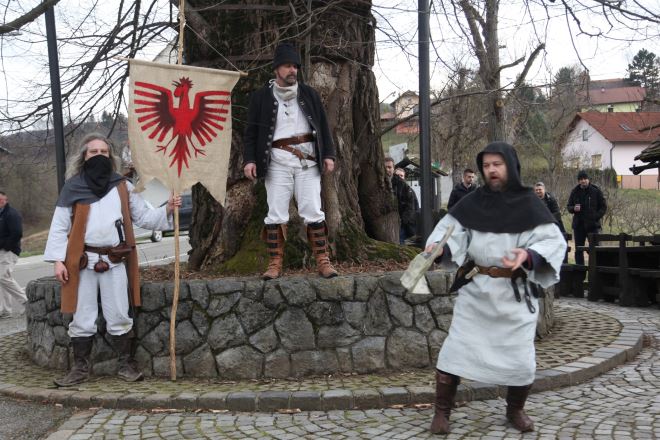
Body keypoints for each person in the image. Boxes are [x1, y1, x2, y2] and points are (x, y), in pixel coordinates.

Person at [425, 142, 566, 434]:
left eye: (497, 164)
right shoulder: (472, 203)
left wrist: (528, 255)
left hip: (514, 296)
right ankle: (442, 412)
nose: (491, 170)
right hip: (476, 292)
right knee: (454, 352)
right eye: (487, 165)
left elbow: (553, 242)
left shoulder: (530, 204)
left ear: (510, 167)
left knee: (521, 359)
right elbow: (452, 233)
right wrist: (440, 249)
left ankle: (515, 410)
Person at [44, 133, 181, 387]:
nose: (99, 156)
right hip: (82, 262)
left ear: (110, 156)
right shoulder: (73, 187)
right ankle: (79, 369)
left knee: (118, 313)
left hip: (114, 260)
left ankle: (126, 365)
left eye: (103, 152)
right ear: (84, 156)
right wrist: (57, 260)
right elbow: (60, 227)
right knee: (82, 316)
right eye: (93, 152)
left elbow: (143, 217)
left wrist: (168, 210)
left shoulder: (122, 186)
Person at [244, 42, 338, 279]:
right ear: (276, 69)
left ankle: (323, 261)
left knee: (313, 210)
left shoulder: (309, 94)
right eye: (287, 66)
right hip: (276, 163)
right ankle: (274, 264)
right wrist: (250, 160)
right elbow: (251, 133)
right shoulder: (261, 97)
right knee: (275, 214)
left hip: (308, 162)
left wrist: (328, 154)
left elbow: (323, 126)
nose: (292, 70)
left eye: (295, 66)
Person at [566, 170, 607, 265]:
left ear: (588, 179)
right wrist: (573, 208)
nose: (583, 181)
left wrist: (596, 217)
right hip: (579, 225)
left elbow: (603, 207)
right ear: (578, 181)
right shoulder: (574, 191)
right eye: (581, 179)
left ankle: (596, 270)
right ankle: (580, 271)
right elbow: (569, 206)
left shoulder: (595, 191)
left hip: (592, 225)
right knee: (578, 250)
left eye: (585, 179)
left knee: (595, 249)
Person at [0, 191, 27, 318]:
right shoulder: (1, 214)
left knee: (2, 277)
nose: (0, 201)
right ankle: (6, 310)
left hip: (9, 251)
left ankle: (26, 302)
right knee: (3, 279)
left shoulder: (11, 214)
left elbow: (17, 233)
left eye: (1, 199)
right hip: (2, 251)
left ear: (6, 200)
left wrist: (6, 246)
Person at [385, 158, 417, 244]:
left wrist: (402, 221)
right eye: (385, 167)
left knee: (399, 244)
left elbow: (411, 206)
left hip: (400, 224)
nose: (387, 169)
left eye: (389, 167)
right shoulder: (378, 183)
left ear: (393, 168)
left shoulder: (403, 186)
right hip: (384, 223)